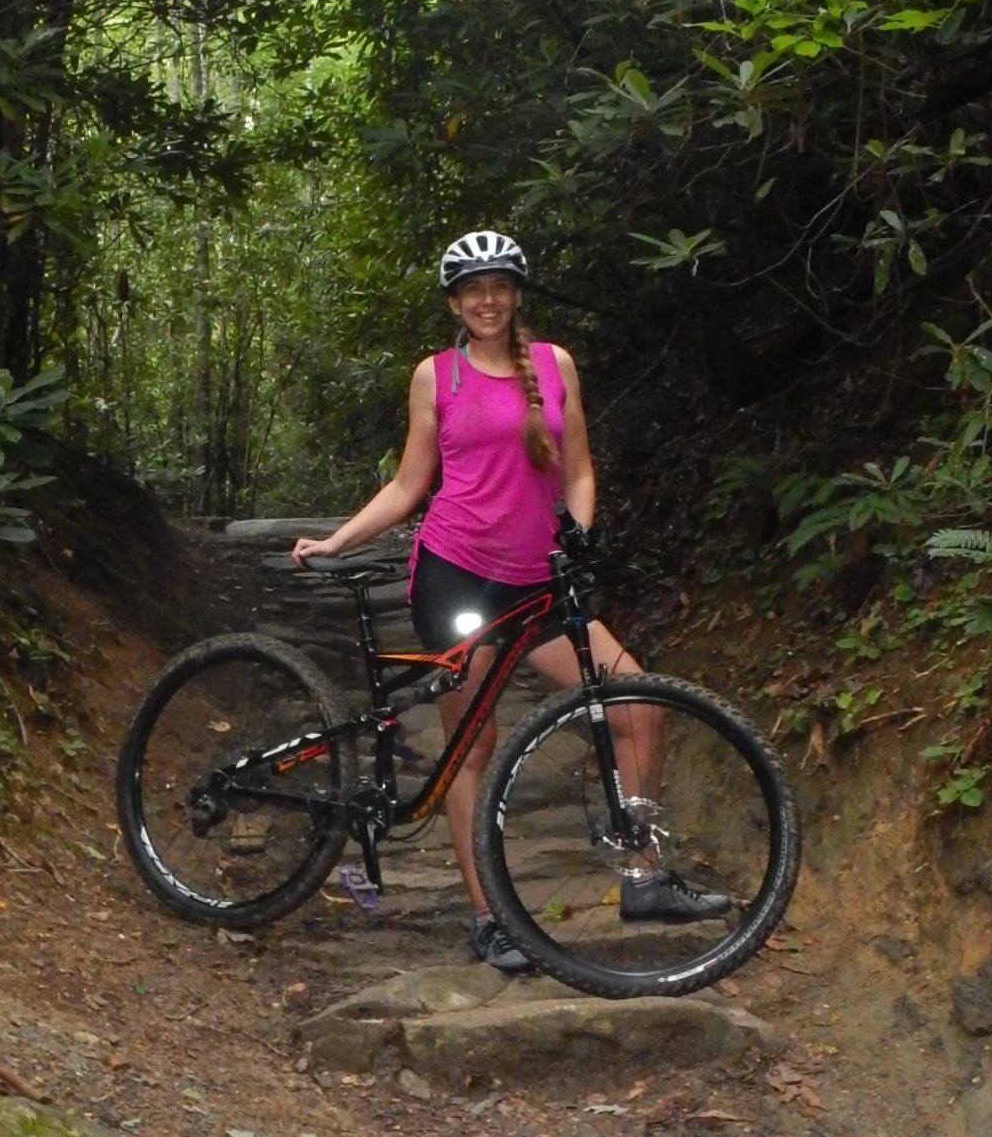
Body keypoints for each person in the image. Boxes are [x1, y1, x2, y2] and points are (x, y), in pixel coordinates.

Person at [291, 230, 725, 972]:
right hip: (457, 576)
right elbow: (408, 485)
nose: (485, 300)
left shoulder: (555, 366)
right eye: (471, 290)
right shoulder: (438, 377)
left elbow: (580, 471)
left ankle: (644, 876)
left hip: (538, 578)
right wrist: (337, 540)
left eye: (498, 286)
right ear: (457, 304)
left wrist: (578, 536)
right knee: (474, 745)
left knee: (638, 703)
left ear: (516, 294)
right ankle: (489, 916)